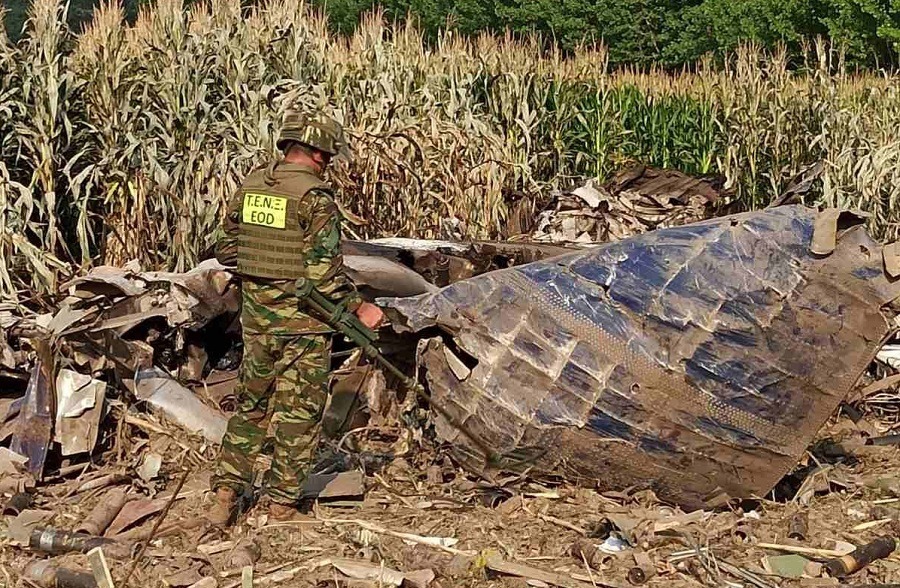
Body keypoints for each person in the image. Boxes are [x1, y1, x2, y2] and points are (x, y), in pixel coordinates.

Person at [209, 111, 383, 524]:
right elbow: (325, 277)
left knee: (251, 406)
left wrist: (264, 281)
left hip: (257, 322)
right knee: (298, 412)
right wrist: (361, 308)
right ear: (320, 154)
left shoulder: (253, 187)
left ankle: (225, 495)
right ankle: (282, 502)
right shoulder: (314, 198)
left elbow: (225, 250)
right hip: (303, 325)